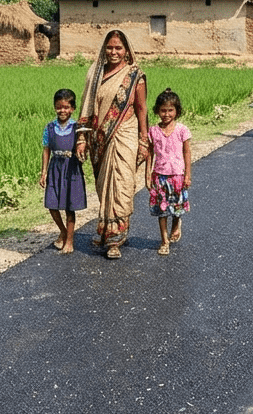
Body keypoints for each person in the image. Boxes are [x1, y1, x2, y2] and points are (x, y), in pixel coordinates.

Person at [79, 30, 149, 260]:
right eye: (110, 48)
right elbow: (87, 108)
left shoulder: (134, 76)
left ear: (127, 51)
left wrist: (144, 140)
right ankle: (105, 230)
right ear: (104, 49)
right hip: (99, 139)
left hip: (125, 135)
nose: (114, 52)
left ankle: (115, 240)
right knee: (104, 187)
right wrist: (82, 138)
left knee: (120, 185)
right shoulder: (95, 74)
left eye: (118, 48)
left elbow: (141, 109)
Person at [39, 88, 87, 254]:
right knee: (52, 204)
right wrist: (44, 172)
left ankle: (69, 241)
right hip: (55, 168)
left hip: (71, 168)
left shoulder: (77, 128)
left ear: (72, 109)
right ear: (54, 107)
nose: (62, 110)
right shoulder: (50, 127)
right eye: (59, 107)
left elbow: (83, 147)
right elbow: (46, 150)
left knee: (69, 206)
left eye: (66, 107)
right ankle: (64, 231)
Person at [147, 88, 193, 256]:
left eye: (170, 110)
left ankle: (176, 223)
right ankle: (164, 241)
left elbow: (187, 152)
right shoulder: (153, 131)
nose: (166, 114)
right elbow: (150, 153)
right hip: (159, 175)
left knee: (177, 208)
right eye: (163, 110)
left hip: (178, 176)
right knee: (162, 209)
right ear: (157, 111)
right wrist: (147, 174)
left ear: (176, 111)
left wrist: (188, 174)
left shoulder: (182, 130)